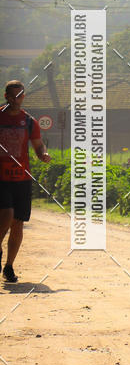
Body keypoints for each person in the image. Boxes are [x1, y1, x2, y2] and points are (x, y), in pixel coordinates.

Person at [0, 80, 52, 284]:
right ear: (6, 96)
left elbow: (38, 146)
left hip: (21, 177)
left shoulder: (29, 121)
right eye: (12, 96)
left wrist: (43, 154)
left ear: (23, 97)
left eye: (19, 96)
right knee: (6, 215)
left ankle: (9, 266)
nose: (16, 100)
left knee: (17, 224)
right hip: (1, 177)